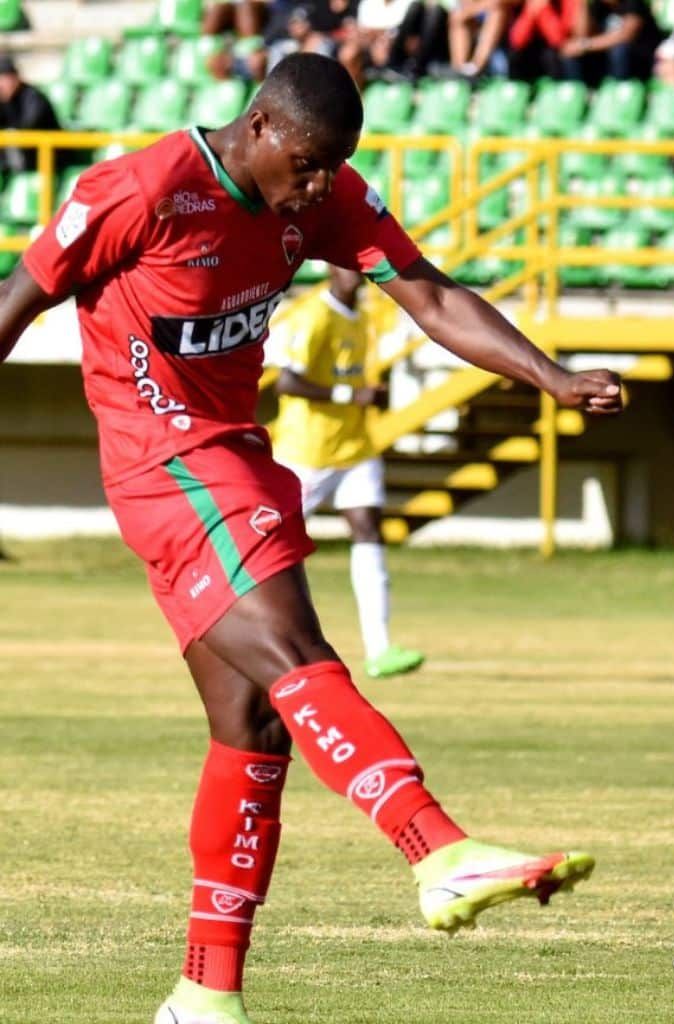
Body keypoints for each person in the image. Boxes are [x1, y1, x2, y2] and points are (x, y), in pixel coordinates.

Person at [0, 53, 622, 1024]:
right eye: (310, 161)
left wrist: (548, 374)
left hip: (244, 458)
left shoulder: (320, 200)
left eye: (336, 165)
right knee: (297, 650)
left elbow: (428, 292)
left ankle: (202, 994)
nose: (323, 184)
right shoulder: (143, 189)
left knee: (250, 728)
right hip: (167, 470)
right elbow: (14, 301)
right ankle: (437, 850)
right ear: (257, 128)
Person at [271, 266, 425, 679]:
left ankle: (380, 648)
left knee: (368, 529)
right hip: (309, 450)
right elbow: (286, 383)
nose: (354, 274)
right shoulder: (313, 316)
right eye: (345, 265)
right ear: (329, 269)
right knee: (272, 545)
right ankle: (259, 634)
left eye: (359, 268)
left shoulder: (367, 316)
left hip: (355, 446)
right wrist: (351, 394)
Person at [561, 0, 663, 84]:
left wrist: (585, 45)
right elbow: (581, 35)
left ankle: (621, 90)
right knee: (572, 53)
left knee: (619, 51)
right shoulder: (599, 7)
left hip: (641, 60)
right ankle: (579, 93)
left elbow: (626, 35)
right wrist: (583, 3)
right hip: (608, 60)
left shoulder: (633, 4)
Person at [0, 54, 68, 175]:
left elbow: (28, 126)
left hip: (46, 157)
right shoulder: (4, 100)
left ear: (16, 78)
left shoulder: (33, 97)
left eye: (4, 80)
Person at [448, 0, 520, 78]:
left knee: (497, 12)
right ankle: (459, 71)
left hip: (506, 22)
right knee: (457, 15)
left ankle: (475, 69)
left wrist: (475, 9)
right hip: (479, 17)